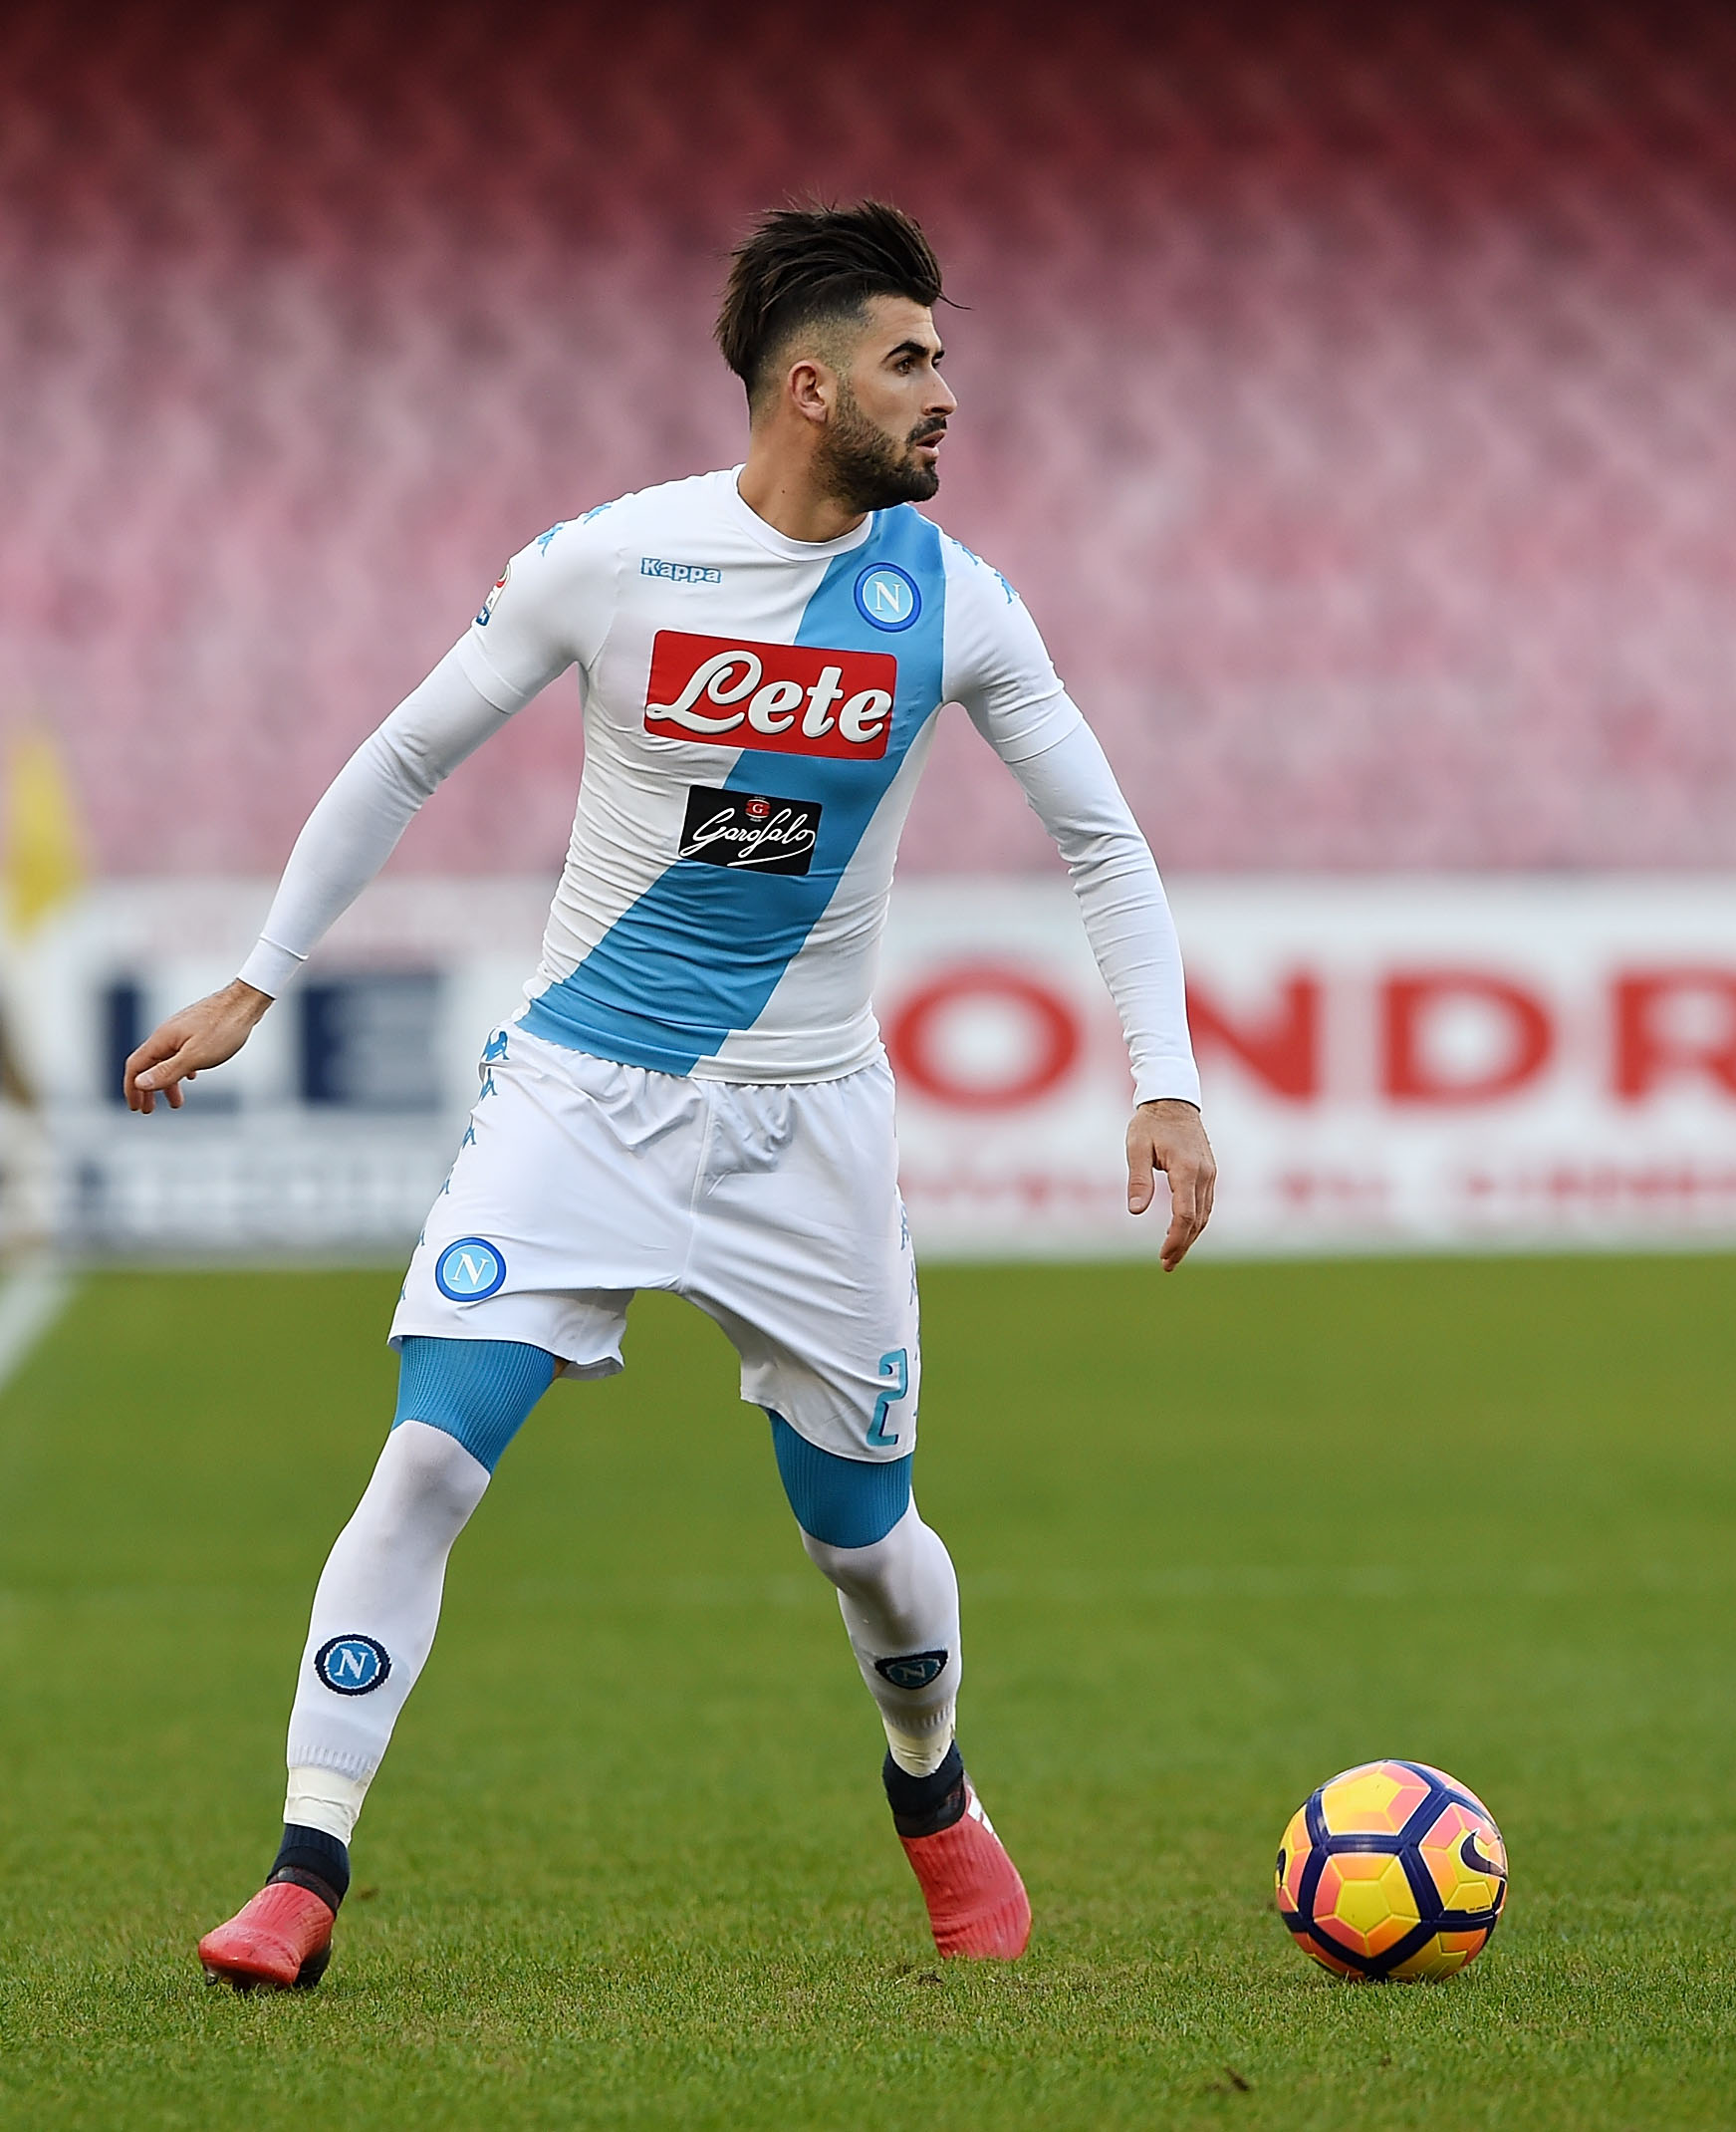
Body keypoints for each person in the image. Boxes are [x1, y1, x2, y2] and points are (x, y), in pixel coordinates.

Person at [126, 201, 1215, 1990]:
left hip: (809, 1131)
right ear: (809, 387)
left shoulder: (955, 606)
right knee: (421, 1463)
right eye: (912, 361)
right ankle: (303, 1870)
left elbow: (1102, 839)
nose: (950, 394)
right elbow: (407, 752)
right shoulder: (612, 562)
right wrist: (263, 973)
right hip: (580, 1098)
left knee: (862, 1548)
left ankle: (935, 1797)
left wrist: (1161, 1084)